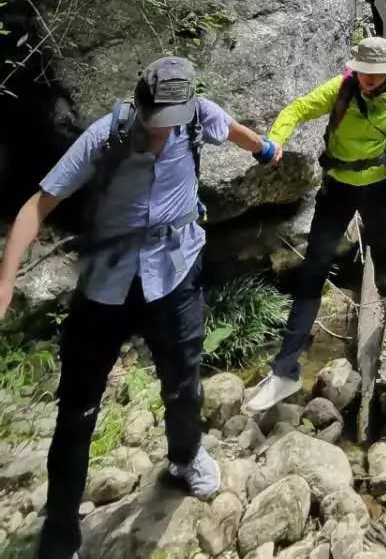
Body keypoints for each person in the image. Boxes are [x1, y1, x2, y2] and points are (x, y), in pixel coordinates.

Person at [0, 57, 277, 559]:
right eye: (154, 125)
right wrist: (4, 281)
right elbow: (36, 206)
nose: (159, 137)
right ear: (140, 108)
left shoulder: (197, 118)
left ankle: (185, 457)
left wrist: (265, 149)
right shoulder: (106, 137)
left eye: (168, 127)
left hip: (174, 274)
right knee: (77, 410)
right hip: (106, 285)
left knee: (183, 381)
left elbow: (231, 129)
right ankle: (60, 531)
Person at [244, 37, 386, 415]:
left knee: (383, 244)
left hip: (378, 186)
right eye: (364, 73)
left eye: (376, 74)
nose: (369, 79)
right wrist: (275, 141)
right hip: (337, 188)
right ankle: (285, 370)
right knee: (312, 273)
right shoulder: (340, 88)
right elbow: (297, 109)